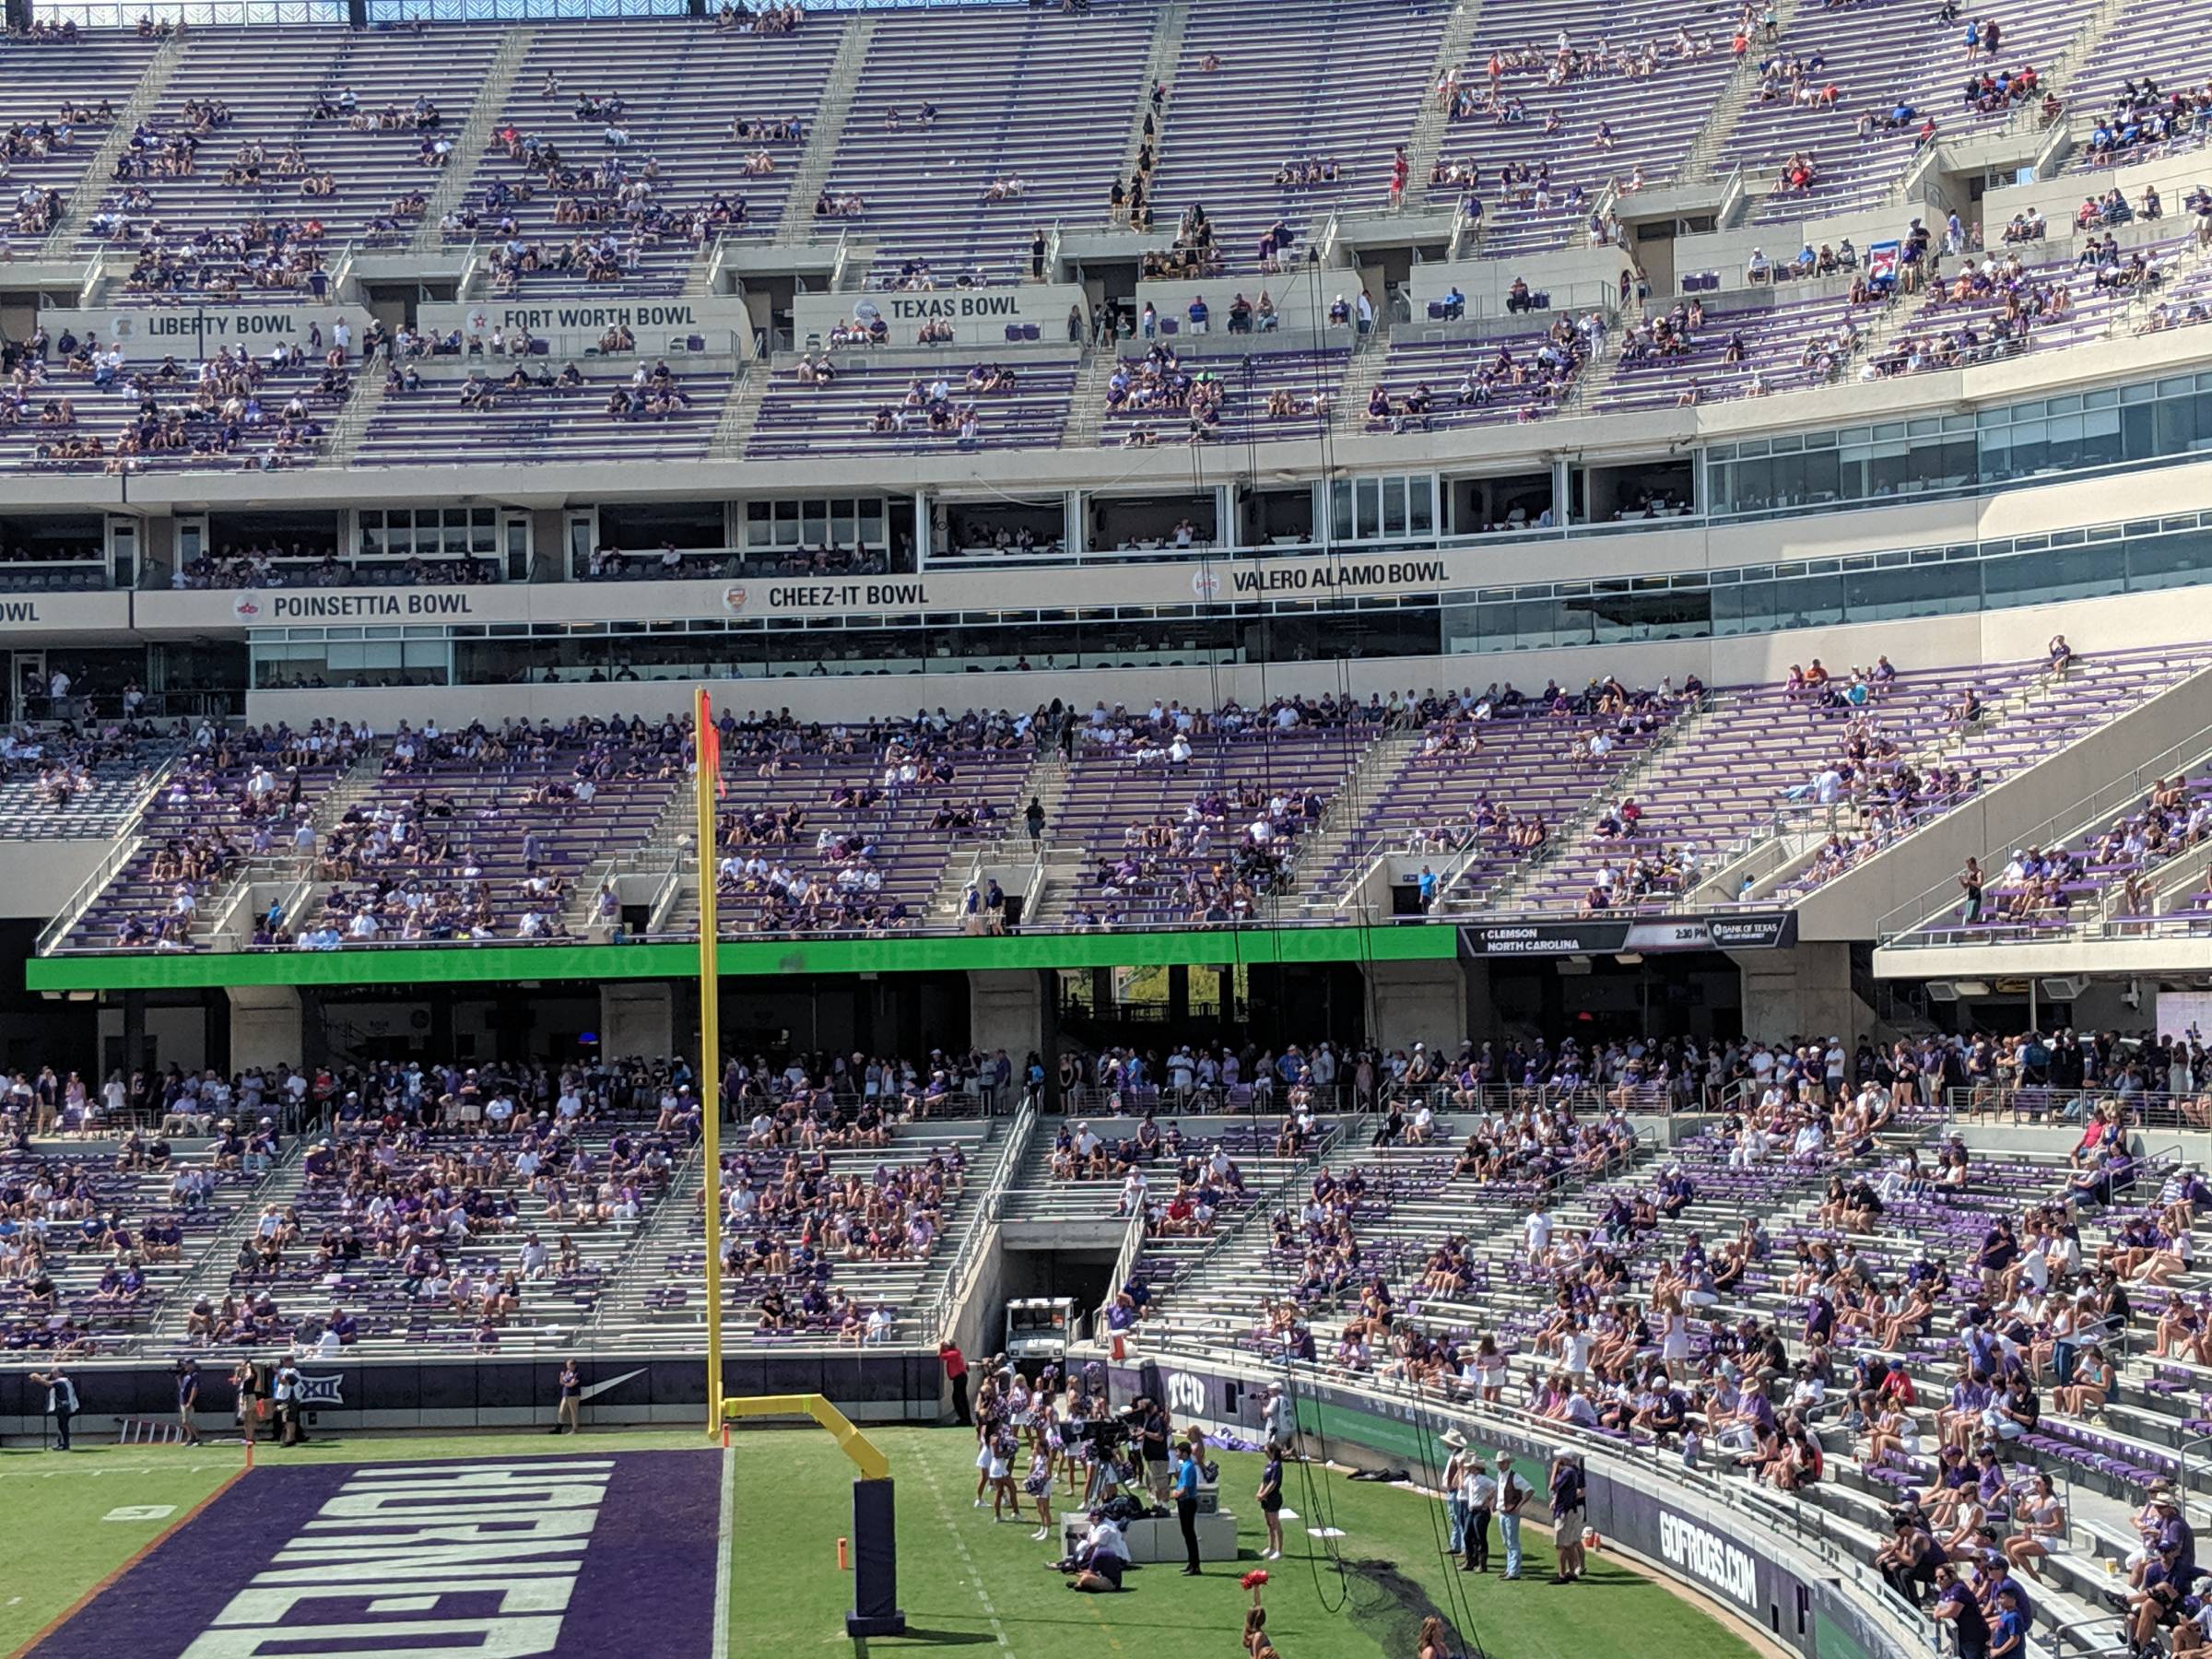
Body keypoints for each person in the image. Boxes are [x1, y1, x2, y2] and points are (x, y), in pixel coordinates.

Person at [1548, 1447, 1586, 1583]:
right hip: (1568, 1509)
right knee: (1569, 1543)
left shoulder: (1567, 1472)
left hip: (1564, 1510)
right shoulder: (1573, 1471)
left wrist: (1554, 1470)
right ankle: (1571, 1572)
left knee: (1561, 1544)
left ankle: (1562, 1574)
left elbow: (1552, 1486)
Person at [1495, 1450, 1531, 1579]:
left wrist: (1519, 1506)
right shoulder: (1500, 1475)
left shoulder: (1515, 1477)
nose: (1499, 1465)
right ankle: (1510, 1569)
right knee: (1507, 1542)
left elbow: (1529, 1490)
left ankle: (1514, 1572)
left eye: (1501, 1463)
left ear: (1507, 1463)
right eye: (1499, 1463)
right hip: (1503, 1512)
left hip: (1510, 1513)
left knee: (1513, 1542)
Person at [1174, 1438, 1204, 1574]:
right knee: (1187, 1534)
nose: (1176, 1454)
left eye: (1178, 1451)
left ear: (1185, 1453)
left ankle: (1195, 1565)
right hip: (1184, 1502)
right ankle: (1191, 1563)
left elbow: (1184, 1490)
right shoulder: (1186, 1465)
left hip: (1187, 1503)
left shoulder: (1188, 1468)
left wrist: (1172, 1495)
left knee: (1189, 1534)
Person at [30, 1363, 76, 1451]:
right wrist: (47, 1376)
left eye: (55, 1373)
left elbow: (46, 1383)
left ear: (60, 1373)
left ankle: (64, 1445)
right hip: (69, 1405)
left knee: (63, 1426)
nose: (53, 1375)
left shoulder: (61, 1380)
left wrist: (36, 1377)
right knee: (62, 1425)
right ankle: (62, 1443)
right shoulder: (67, 1380)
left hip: (64, 1406)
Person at [1256, 1435, 1286, 1559]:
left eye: (1267, 1451)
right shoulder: (1269, 1464)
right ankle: (1270, 1547)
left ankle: (1279, 1550)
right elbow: (1264, 1481)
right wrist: (1259, 1492)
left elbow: (1273, 1483)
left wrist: (1264, 1494)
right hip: (1265, 1498)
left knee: (1275, 1522)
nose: (1265, 1453)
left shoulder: (1277, 1465)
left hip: (1273, 1497)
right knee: (1268, 1523)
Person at [940, 1339, 971, 1425]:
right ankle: (965, 1419)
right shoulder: (956, 1352)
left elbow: (941, 1356)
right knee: (960, 1398)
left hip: (959, 1378)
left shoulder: (954, 1353)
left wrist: (940, 1346)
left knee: (958, 1399)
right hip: (960, 1377)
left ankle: (965, 1419)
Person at [176, 1358, 202, 1445]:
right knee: (185, 1421)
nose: (185, 1366)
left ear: (192, 1364)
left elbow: (195, 1389)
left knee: (188, 1421)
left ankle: (198, 1439)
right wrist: (178, 1379)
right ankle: (190, 1439)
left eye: (187, 1364)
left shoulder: (195, 1375)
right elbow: (182, 1388)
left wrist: (190, 1402)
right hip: (183, 1401)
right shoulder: (186, 1375)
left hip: (188, 1402)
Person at [555, 1356, 582, 1433]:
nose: (568, 1367)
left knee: (573, 1412)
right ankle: (559, 1428)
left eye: (569, 1365)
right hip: (565, 1394)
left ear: (573, 1365)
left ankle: (574, 1429)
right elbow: (561, 1381)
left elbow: (572, 1384)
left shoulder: (577, 1373)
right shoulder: (567, 1372)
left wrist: (565, 1383)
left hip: (573, 1395)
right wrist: (563, 1378)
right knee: (561, 1411)